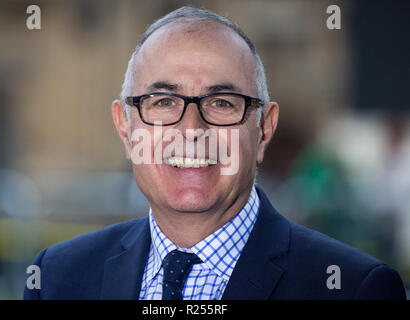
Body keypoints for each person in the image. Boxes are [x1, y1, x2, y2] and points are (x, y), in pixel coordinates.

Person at [24, 6, 406, 300]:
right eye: (163, 102)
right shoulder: (56, 278)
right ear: (125, 126)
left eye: (222, 103)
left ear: (264, 129)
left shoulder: (354, 288)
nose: (191, 130)